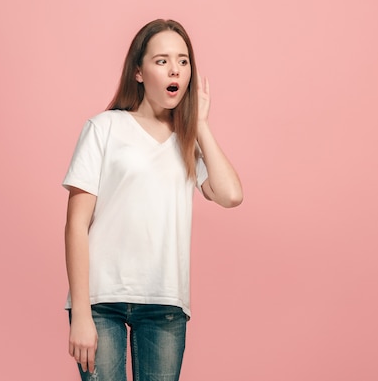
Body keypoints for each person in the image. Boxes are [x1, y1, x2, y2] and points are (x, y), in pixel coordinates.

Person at [62, 19, 243, 381]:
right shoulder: (104, 128)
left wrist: (201, 124)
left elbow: (231, 195)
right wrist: (81, 313)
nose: (175, 69)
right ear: (139, 72)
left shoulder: (188, 141)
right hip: (102, 300)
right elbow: (76, 224)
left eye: (183, 60)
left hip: (165, 303)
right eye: (161, 61)